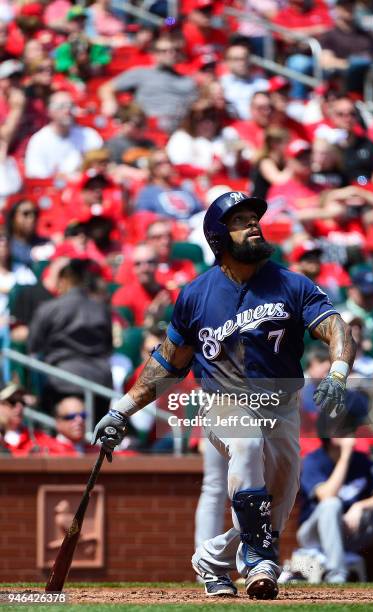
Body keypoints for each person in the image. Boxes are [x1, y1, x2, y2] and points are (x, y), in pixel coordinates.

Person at [92, 190, 356, 599]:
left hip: (281, 407)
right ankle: (257, 562)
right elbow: (167, 363)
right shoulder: (196, 294)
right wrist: (122, 410)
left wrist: (338, 370)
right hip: (224, 402)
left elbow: (335, 327)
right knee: (247, 447)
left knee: (278, 504)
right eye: (239, 220)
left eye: (254, 217)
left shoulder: (291, 283)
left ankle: (213, 558)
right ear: (218, 237)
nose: (253, 224)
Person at [297, 423, 373, 583]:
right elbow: (326, 496)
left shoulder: (362, 460)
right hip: (314, 534)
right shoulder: (313, 460)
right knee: (331, 505)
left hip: (349, 529)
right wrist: (345, 456)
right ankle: (336, 576)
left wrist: (360, 506)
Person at [28, 259, 113, 418]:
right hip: (100, 380)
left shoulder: (49, 308)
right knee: (95, 436)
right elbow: (108, 347)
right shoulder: (101, 309)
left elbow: (33, 346)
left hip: (62, 380)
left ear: (64, 280)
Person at [98, 35, 197, 132]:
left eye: (175, 50)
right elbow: (107, 88)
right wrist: (109, 101)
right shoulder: (141, 73)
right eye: (164, 51)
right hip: (146, 129)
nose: (171, 54)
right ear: (154, 54)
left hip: (179, 129)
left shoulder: (188, 80)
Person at [24, 91, 103, 178]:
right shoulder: (39, 141)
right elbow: (36, 176)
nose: (67, 111)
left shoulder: (88, 135)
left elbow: (101, 164)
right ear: (49, 111)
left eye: (71, 106)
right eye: (61, 107)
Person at [220, 41, 269, 120]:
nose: (241, 63)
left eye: (244, 59)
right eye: (236, 59)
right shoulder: (222, 84)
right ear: (227, 62)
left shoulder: (262, 83)